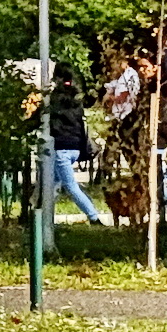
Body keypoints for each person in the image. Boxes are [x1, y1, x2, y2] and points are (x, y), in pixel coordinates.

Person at [50, 64, 109, 225]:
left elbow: (48, 120)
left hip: (60, 147)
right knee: (52, 184)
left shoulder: (54, 99)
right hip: (75, 147)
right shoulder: (76, 98)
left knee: (70, 186)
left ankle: (93, 217)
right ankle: (43, 217)